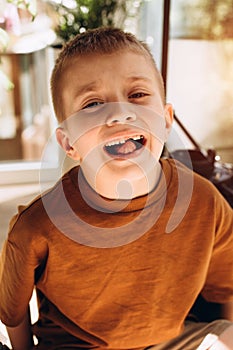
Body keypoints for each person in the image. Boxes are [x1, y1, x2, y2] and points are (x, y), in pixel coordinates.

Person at [0, 27, 232, 350]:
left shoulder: (205, 201)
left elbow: (227, 289)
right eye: (93, 104)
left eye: (137, 95)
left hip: (171, 341)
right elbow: (12, 313)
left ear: (166, 121)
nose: (120, 113)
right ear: (68, 143)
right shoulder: (37, 227)